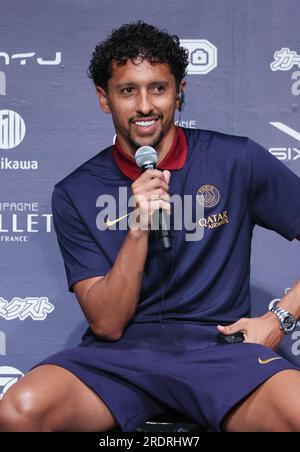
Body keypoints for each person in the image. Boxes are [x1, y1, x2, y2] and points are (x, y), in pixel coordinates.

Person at [1, 20, 300, 433]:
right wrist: (138, 226)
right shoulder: (75, 191)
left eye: (158, 88)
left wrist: (279, 318)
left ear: (180, 93)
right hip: (120, 358)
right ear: (104, 99)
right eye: (127, 90)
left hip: (220, 350)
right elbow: (107, 323)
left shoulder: (237, 160)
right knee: (21, 410)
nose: (144, 105)